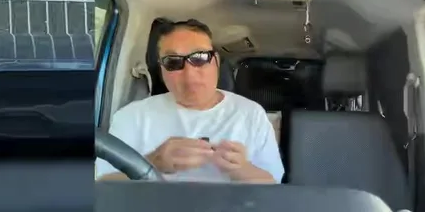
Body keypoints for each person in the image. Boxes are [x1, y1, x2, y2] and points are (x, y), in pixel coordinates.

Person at [96, 17, 284, 183]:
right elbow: (103, 183)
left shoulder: (250, 114)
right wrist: (152, 162)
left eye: (200, 57)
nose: (189, 74)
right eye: (173, 61)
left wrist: (242, 169)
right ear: (161, 70)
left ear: (216, 62)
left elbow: (273, 184)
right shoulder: (131, 116)